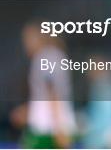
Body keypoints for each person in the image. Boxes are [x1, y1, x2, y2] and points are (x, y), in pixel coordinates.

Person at [10, 20, 77, 148]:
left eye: (28, 39)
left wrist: (59, 128)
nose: (25, 44)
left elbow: (53, 93)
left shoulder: (45, 57)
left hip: (46, 129)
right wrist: (27, 111)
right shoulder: (53, 56)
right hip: (52, 126)